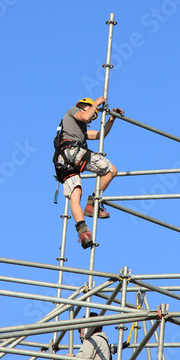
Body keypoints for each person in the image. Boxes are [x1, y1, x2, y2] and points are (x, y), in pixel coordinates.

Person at [54, 97, 124, 249]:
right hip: (72, 152)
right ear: (84, 106)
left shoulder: (77, 130)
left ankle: (83, 232)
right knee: (111, 169)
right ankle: (92, 204)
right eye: (93, 114)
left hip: (64, 161)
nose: (92, 118)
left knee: (75, 194)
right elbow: (85, 116)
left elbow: (100, 135)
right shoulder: (73, 111)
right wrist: (97, 103)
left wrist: (112, 119)